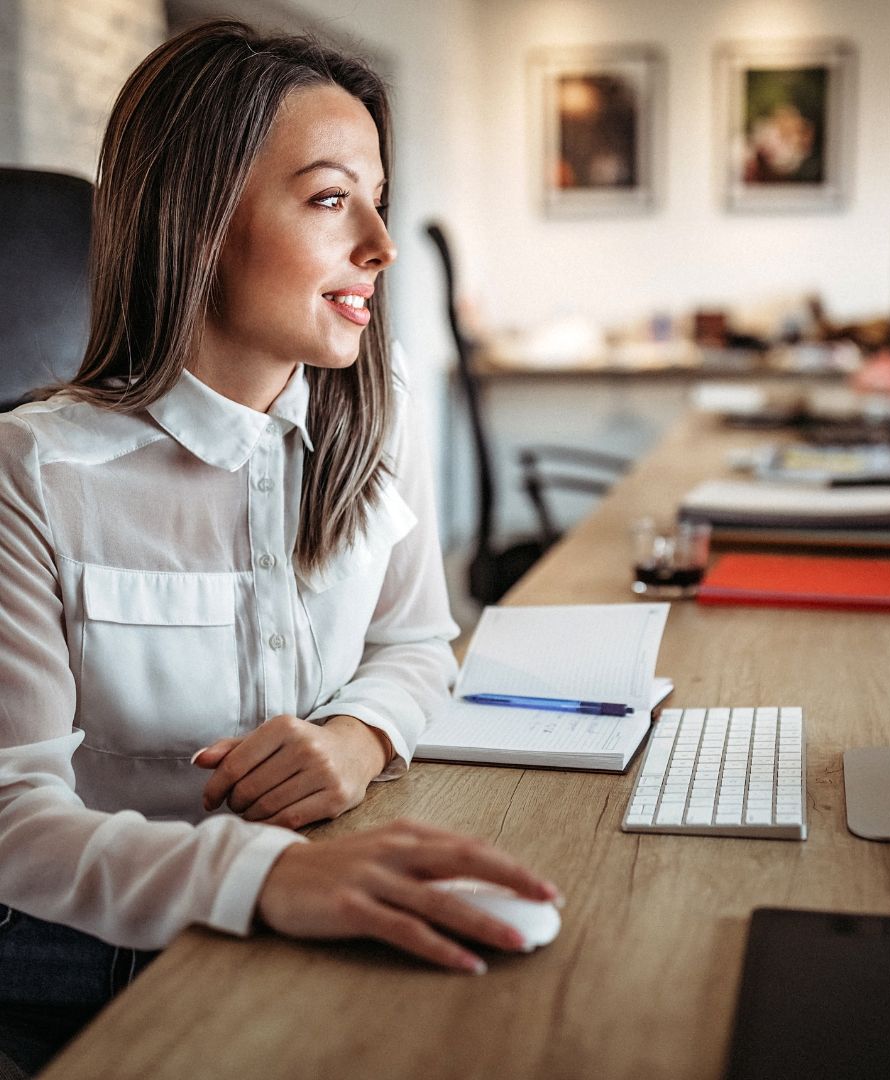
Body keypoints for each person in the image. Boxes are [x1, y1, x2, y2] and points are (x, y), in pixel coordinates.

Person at [0, 20, 558, 1077]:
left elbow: (421, 644)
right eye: (332, 199)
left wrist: (358, 738)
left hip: (317, 893)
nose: (383, 249)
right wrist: (256, 876)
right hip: (87, 960)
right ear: (199, 220)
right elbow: (11, 819)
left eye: (378, 201)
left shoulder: (378, 416)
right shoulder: (30, 473)